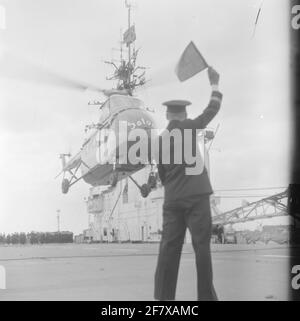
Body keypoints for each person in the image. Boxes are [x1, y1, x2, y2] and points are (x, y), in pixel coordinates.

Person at [154, 66, 222, 301]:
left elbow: (162, 174)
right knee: (202, 249)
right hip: (197, 197)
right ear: (183, 115)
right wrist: (214, 85)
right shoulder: (191, 127)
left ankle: (164, 300)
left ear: (167, 116)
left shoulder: (159, 142)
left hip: (172, 200)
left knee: (168, 250)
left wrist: (174, 189)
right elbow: (211, 110)